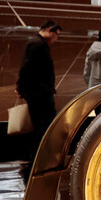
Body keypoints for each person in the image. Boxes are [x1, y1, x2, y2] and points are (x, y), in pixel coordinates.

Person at [17, 20, 61, 166]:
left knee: (42, 125)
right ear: (50, 30)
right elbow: (26, 67)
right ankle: (40, 156)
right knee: (43, 125)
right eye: (56, 35)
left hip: (39, 91)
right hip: (38, 93)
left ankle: (40, 155)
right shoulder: (36, 44)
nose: (56, 39)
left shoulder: (38, 43)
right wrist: (21, 87)